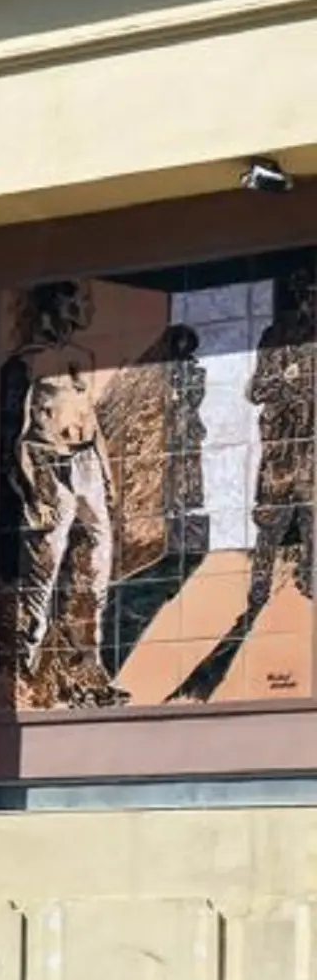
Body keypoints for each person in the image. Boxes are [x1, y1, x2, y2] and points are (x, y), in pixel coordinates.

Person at [170, 268, 317, 701]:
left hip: (312, 446)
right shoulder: (278, 334)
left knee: (311, 517)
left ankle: (308, 583)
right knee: (269, 523)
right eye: (306, 294)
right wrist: (287, 385)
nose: (310, 302)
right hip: (280, 447)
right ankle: (258, 591)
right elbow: (256, 389)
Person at [5, 280, 115, 680]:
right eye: (70, 304)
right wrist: (33, 487)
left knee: (99, 557)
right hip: (48, 464)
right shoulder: (25, 363)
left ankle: (89, 654)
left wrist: (107, 476)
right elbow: (14, 435)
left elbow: (93, 421)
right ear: (49, 310)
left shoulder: (84, 356)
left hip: (86, 464)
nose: (77, 313)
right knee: (44, 566)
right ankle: (27, 658)